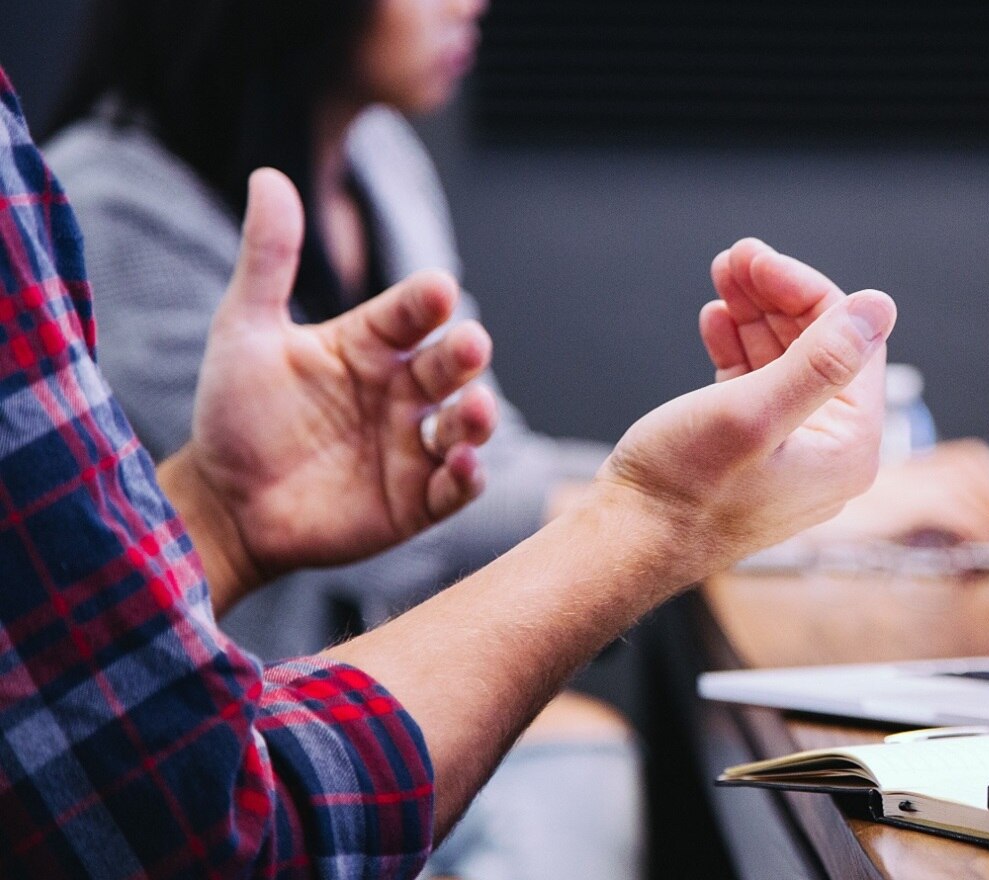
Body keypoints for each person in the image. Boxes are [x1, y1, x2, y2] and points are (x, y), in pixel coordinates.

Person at [0, 58, 899, 878]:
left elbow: (49, 652)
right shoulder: (110, 199)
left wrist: (221, 516)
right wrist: (665, 516)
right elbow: (199, 833)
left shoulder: (379, 157)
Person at [45, 0, 989, 664]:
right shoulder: (108, 208)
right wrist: (776, 508)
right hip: (240, 748)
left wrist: (740, 498)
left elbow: (476, 459)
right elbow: (404, 530)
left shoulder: (377, 160)